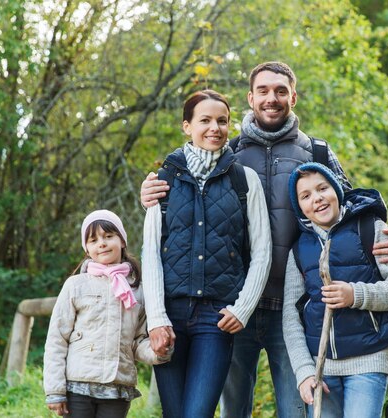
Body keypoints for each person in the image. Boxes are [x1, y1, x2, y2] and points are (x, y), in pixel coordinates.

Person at [140, 62, 388, 418]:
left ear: (293, 97)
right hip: (232, 307)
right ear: (250, 98)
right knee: (233, 408)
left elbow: (353, 209)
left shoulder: (318, 152)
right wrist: (151, 191)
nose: (272, 98)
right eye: (263, 91)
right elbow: (185, 214)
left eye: (281, 91)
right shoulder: (227, 154)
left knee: (296, 408)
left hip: (296, 310)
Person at [141, 89, 271, 418]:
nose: (215, 127)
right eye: (205, 120)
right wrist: (155, 319)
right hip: (170, 315)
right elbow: (151, 253)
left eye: (222, 121)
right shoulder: (164, 180)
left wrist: (242, 308)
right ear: (187, 126)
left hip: (217, 318)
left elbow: (262, 252)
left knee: (197, 413)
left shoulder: (245, 181)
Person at [284, 162, 388, 418]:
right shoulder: (298, 250)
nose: (317, 199)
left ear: (337, 190)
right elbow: (290, 317)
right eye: (306, 196)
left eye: (323, 188)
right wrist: (304, 371)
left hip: (370, 358)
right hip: (321, 367)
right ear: (300, 207)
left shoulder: (370, 229)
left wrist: (355, 295)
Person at [44, 209, 168, 418]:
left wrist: (159, 351)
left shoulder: (139, 289)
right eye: (93, 240)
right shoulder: (76, 285)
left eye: (108, 236)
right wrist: (55, 391)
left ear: (122, 241)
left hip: (117, 387)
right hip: (77, 387)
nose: (101, 243)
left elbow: (138, 341)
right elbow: (57, 339)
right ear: (87, 248)